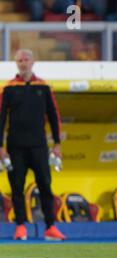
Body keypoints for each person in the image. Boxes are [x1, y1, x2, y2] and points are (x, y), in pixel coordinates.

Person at [0, 49, 66, 241]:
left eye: (26, 59)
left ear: (33, 61)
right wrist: (1, 147)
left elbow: (54, 117)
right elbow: (1, 119)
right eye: (19, 60)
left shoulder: (43, 86)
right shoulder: (8, 88)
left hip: (38, 146)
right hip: (15, 147)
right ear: (16, 63)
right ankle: (20, 226)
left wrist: (57, 144)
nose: (23, 63)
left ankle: (50, 227)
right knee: (17, 187)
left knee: (45, 186)